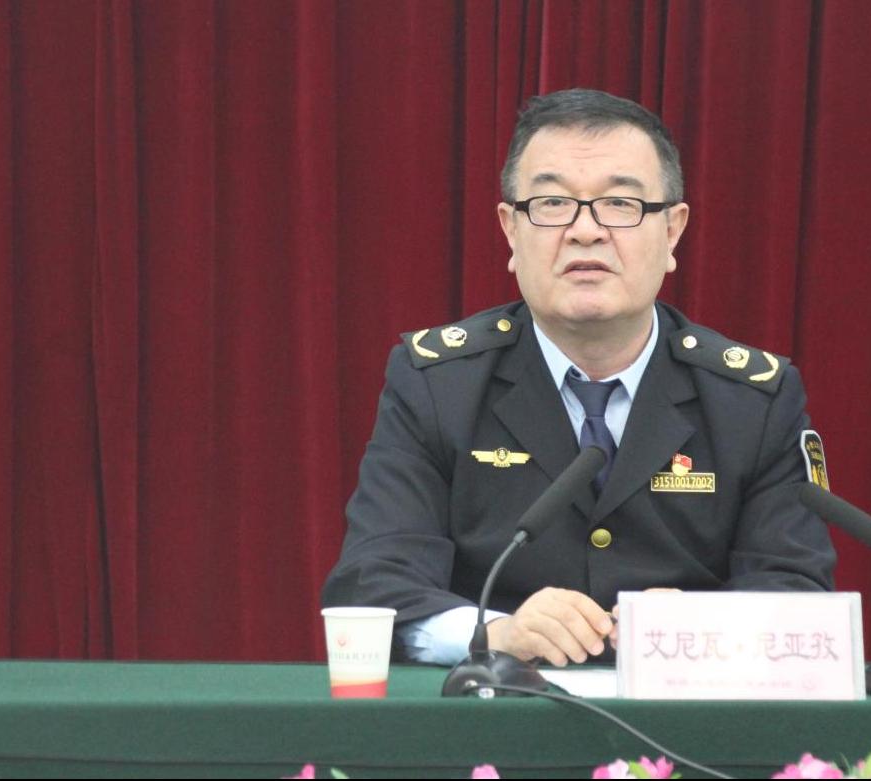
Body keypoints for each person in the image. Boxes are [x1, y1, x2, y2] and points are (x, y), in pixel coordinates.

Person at [321, 88, 835, 668]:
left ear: (672, 232)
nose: (585, 231)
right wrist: (495, 632)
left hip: (683, 713)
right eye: (552, 203)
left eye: (620, 203)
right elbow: (371, 583)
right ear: (511, 230)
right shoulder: (437, 386)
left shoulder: (752, 400)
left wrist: (704, 626)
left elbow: (800, 592)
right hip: (498, 708)